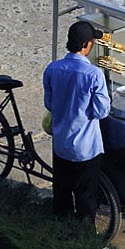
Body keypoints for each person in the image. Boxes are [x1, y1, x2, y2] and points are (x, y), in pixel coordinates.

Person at [42, 20, 111, 223]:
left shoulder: (53, 69)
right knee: (85, 198)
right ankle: (82, 241)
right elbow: (102, 111)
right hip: (85, 148)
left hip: (61, 144)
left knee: (61, 194)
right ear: (86, 45)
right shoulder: (94, 75)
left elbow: (50, 103)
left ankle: (61, 230)